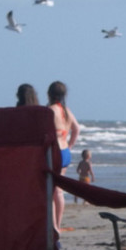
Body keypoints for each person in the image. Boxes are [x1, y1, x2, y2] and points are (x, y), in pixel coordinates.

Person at [47, 81, 80, 231]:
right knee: (58, 191)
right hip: (65, 151)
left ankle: (54, 226)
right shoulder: (66, 110)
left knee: (50, 190)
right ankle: (58, 224)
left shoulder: (50, 110)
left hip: (55, 152)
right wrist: (71, 145)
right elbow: (76, 128)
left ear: (49, 94)